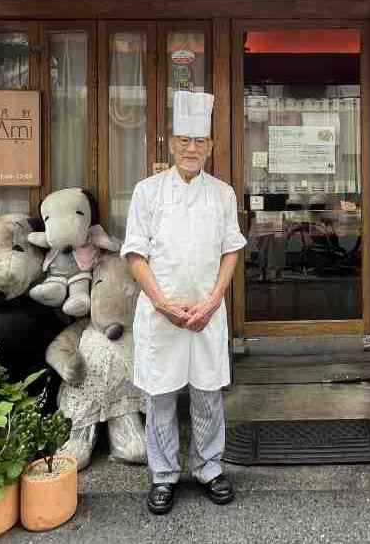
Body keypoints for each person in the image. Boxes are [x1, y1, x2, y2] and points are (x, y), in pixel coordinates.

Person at [120, 90, 247, 515]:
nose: (192, 149)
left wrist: (213, 301)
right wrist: (162, 304)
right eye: (184, 140)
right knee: (160, 396)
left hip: (207, 313)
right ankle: (163, 475)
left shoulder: (223, 194)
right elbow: (135, 254)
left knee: (208, 393)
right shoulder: (147, 192)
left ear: (210, 146)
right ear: (171, 144)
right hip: (161, 316)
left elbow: (231, 250)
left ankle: (210, 468)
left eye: (200, 141)